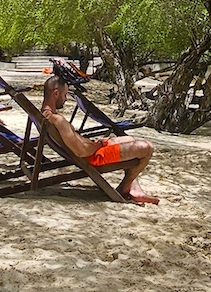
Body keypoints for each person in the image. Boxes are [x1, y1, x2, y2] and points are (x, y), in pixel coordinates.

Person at [41, 75, 157, 203]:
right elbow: (81, 151)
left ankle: (133, 187)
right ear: (56, 93)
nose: (66, 99)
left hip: (92, 150)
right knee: (147, 148)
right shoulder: (58, 120)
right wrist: (98, 145)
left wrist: (95, 142)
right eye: (65, 95)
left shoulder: (47, 115)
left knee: (128, 139)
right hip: (94, 156)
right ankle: (126, 186)